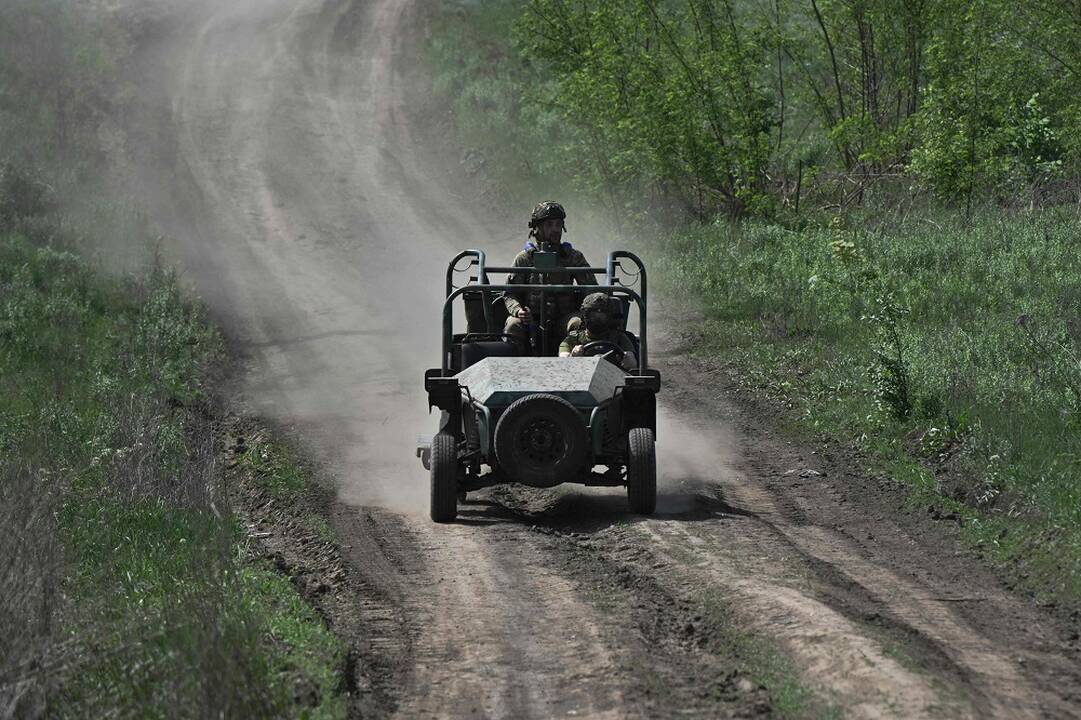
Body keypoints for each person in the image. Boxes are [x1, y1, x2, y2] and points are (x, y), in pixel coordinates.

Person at [503, 201, 597, 349]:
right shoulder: (524, 258)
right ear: (537, 229)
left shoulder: (573, 257)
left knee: (578, 324)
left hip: (564, 318)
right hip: (530, 320)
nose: (555, 230)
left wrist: (587, 310)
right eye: (549, 225)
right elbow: (509, 293)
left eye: (558, 224)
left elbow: (593, 291)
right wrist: (518, 311)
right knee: (513, 325)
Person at [559, 292, 638, 371]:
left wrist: (627, 359)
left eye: (602, 316)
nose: (597, 319)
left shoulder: (619, 337)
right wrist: (572, 358)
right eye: (593, 315)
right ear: (585, 315)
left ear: (609, 317)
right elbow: (563, 363)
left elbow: (632, 363)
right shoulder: (573, 338)